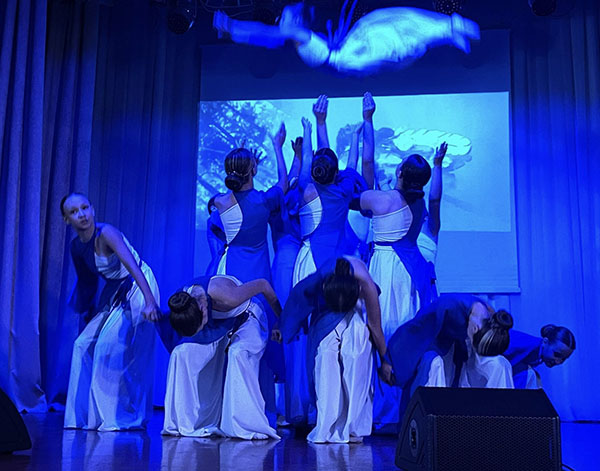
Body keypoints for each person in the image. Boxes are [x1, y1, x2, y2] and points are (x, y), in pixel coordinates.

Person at [61, 193, 160, 430]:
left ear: (93, 209)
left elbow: (133, 268)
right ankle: (80, 417)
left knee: (108, 346)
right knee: (81, 345)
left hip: (138, 286)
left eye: (85, 207)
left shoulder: (107, 233)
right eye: (74, 212)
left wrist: (150, 302)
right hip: (115, 292)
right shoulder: (76, 247)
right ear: (66, 220)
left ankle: (112, 418)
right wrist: (87, 311)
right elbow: (87, 282)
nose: (82, 214)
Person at [211, 130, 288, 423]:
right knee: (259, 339)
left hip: (228, 271)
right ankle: (261, 409)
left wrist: (241, 159)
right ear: (253, 170)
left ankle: (226, 407)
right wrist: (278, 147)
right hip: (257, 272)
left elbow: (223, 208)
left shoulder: (220, 202)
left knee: (227, 337)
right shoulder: (264, 201)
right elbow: (284, 182)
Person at [280, 256, 393, 443]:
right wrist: (284, 328)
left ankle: (351, 427)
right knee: (325, 357)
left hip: (356, 311)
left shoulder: (366, 285)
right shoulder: (317, 280)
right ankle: (327, 425)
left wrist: (385, 360)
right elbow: (297, 302)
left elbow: (375, 326)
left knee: (355, 353)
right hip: (327, 312)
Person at [155, 274, 282, 439]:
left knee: (237, 353)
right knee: (181, 353)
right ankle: (191, 423)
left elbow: (263, 285)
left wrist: (281, 321)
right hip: (217, 326)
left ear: (203, 311)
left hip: (247, 317)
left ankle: (245, 425)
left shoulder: (227, 297)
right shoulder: (185, 302)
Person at [213, 3, 480, 76]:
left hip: (350, 55)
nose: (281, 21)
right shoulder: (301, 37)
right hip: (351, 57)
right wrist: (234, 29)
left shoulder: (302, 36)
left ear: (296, 21)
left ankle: (449, 29)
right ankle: (447, 31)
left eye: (286, 16)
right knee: (397, 36)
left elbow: (267, 35)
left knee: (392, 25)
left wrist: (232, 27)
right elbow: (267, 37)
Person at [388, 294, 514, 422]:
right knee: (434, 364)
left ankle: (501, 422)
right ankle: (433, 425)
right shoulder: (448, 306)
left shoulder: (488, 320)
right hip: (439, 352)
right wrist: (389, 361)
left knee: (500, 364)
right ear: (475, 328)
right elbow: (416, 329)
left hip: (464, 357)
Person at [503, 325, 575, 389]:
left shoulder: (538, 356)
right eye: (557, 354)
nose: (558, 361)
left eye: (563, 359)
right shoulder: (525, 344)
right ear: (545, 342)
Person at [417, 142, 448, 266]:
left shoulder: (429, 228)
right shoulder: (400, 224)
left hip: (422, 278)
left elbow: (434, 201)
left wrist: (437, 166)